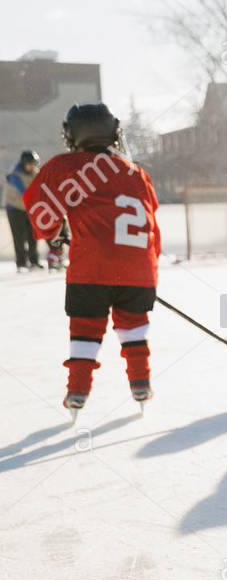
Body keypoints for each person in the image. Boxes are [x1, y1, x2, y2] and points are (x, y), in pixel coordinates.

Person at [22, 104, 161, 412]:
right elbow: (153, 224)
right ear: (112, 132)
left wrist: (55, 233)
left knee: (85, 328)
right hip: (139, 269)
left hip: (91, 267)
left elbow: (38, 206)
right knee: (134, 326)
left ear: (73, 134)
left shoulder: (65, 165)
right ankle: (141, 382)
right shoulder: (137, 172)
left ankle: (78, 391)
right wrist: (147, 271)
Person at [4, 150, 41, 271]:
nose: (32, 166)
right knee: (19, 236)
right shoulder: (15, 175)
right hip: (14, 208)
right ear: (24, 163)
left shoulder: (36, 173)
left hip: (29, 208)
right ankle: (21, 263)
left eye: (34, 164)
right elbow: (24, 193)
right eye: (30, 164)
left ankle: (34, 261)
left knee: (32, 235)